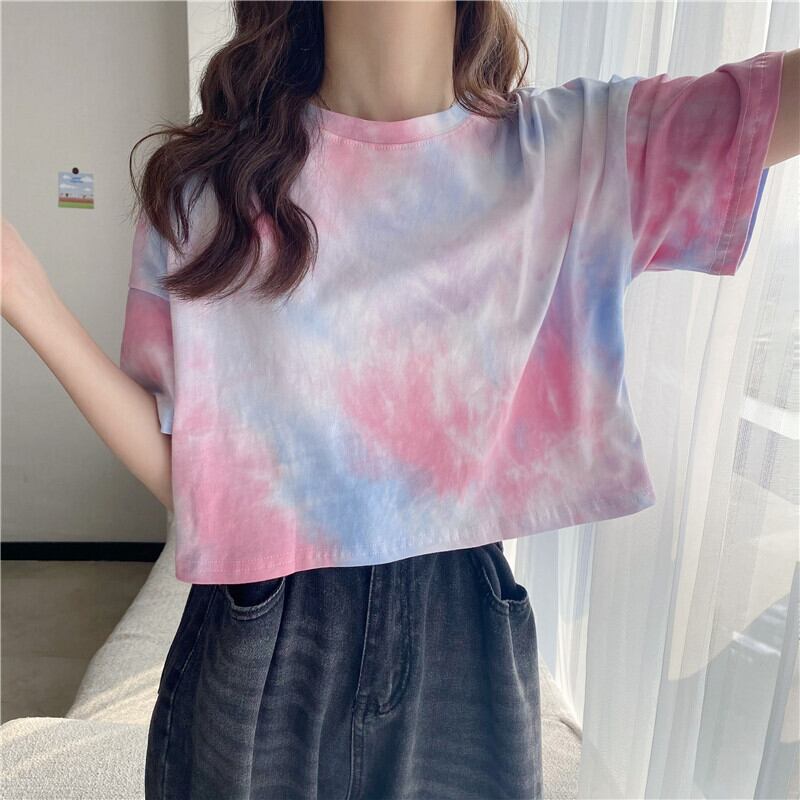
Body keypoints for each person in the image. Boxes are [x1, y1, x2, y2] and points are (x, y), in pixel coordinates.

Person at [1, 1, 796, 798]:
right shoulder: (207, 191)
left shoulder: (576, 150)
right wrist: (24, 292)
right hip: (257, 633)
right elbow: (193, 473)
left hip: (462, 635)